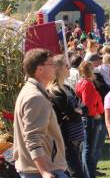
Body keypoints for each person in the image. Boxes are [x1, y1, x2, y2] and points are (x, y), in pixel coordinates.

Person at [14, 49, 68, 178]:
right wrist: (44, 171)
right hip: (42, 170)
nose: (55, 68)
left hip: (39, 169)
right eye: (51, 64)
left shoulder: (31, 91)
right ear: (40, 69)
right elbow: (33, 138)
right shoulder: (35, 97)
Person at [47, 55, 85, 178]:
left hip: (76, 136)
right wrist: (75, 112)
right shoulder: (55, 91)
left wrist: (76, 111)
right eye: (66, 66)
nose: (69, 68)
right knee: (75, 173)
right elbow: (72, 115)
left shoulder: (67, 87)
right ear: (59, 69)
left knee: (75, 171)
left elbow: (83, 108)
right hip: (65, 139)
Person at [76, 61, 104, 178]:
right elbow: (87, 105)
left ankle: (88, 173)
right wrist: (96, 113)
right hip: (92, 119)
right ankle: (89, 174)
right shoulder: (86, 84)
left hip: (90, 118)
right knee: (89, 149)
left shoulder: (82, 83)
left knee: (88, 148)